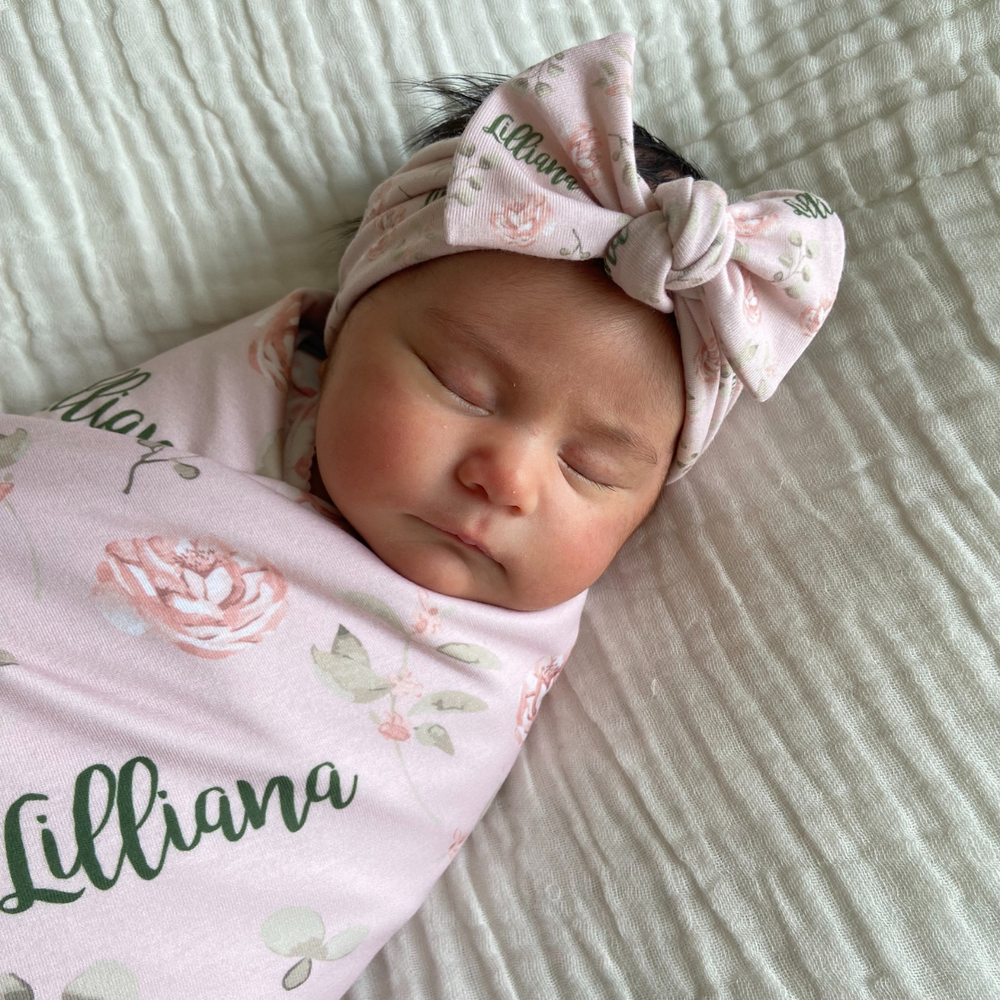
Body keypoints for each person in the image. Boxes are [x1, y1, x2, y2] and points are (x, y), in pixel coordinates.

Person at [0, 33, 844, 998]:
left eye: (590, 468)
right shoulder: (181, 421)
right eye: (461, 387)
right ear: (345, 331)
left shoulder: (489, 663)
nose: (509, 477)